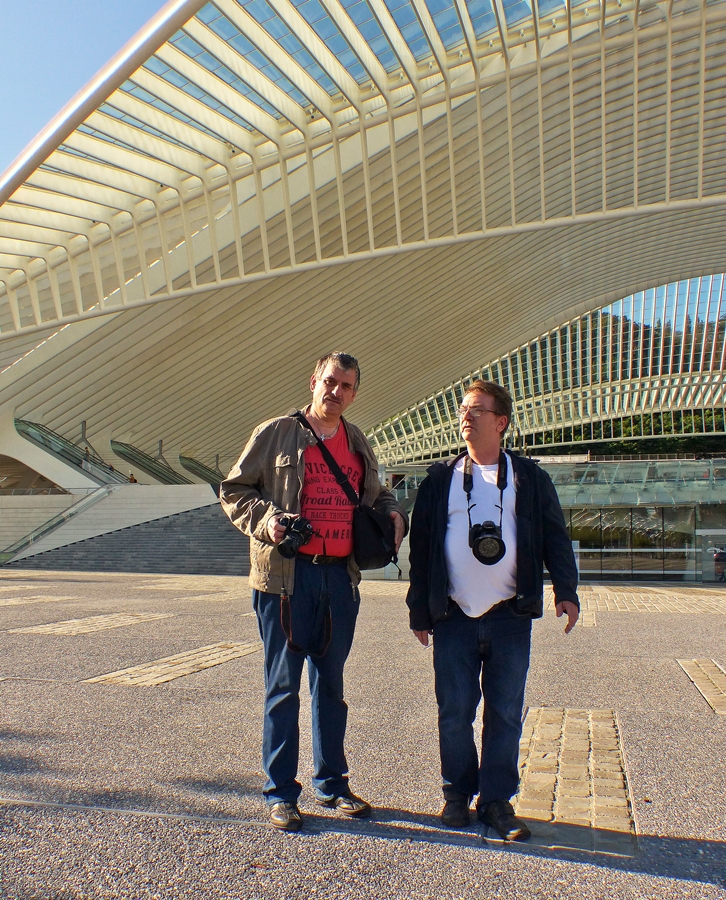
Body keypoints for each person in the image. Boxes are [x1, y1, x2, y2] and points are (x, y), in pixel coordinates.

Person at [220, 352, 407, 832]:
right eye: (329, 382)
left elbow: (374, 493)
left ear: (354, 393)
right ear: (313, 381)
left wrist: (393, 512)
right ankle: (280, 792)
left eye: (346, 386)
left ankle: (332, 785)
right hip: (287, 578)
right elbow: (234, 491)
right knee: (283, 687)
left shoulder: (356, 440)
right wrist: (271, 522)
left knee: (332, 686)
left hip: (338, 579)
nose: (335, 392)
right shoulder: (275, 433)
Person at [406, 380, 579, 841]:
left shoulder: (528, 477)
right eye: (463, 409)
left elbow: (554, 536)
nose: (466, 417)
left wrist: (567, 589)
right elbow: (421, 548)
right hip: (454, 616)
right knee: (454, 711)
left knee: (504, 712)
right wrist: (418, 611)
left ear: (500, 422)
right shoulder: (441, 478)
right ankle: (457, 796)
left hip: (509, 615)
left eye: (477, 410)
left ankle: (497, 802)